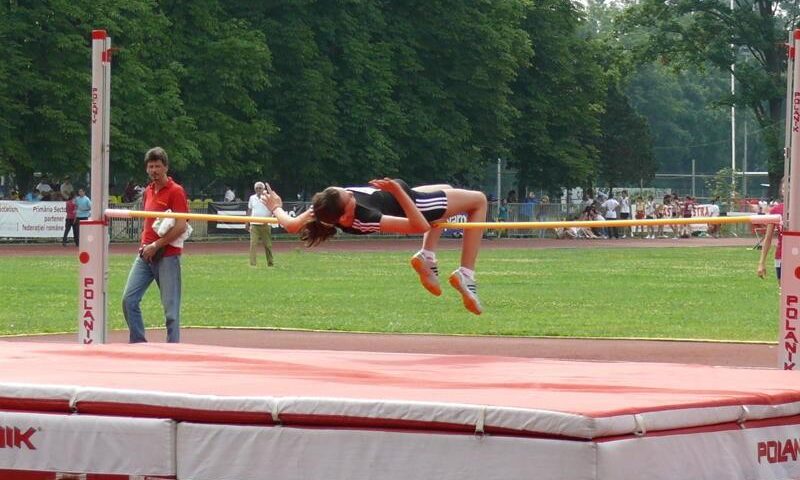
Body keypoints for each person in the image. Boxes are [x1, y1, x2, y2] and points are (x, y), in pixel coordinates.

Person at [263, 178, 488, 315]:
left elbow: (292, 225)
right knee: (478, 201)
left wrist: (275, 207)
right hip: (410, 203)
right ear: (344, 216)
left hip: (400, 194)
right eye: (348, 198)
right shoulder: (367, 218)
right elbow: (420, 224)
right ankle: (466, 273)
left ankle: (427, 256)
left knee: (446, 188)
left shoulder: (324, 207)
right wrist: (396, 190)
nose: (350, 193)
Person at [122, 147, 189, 343]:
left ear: (166, 167)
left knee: (171, 310)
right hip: (145, 255)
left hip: (167, 255)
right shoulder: (148, 191)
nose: (154, 170)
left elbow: (181, 225)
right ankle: (138, 343)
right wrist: (145, 245)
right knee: (129, 300)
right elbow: (148, 222)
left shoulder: (176, 191)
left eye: (158, 166)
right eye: (150, 166)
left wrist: (157, 245)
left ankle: (173, 349)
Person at [757, 180, 784, 283]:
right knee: (784, 293)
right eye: (784, 188)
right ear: (781, 191)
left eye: (792, 187)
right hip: (781, 256)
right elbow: (768, 238)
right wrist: (761, 262)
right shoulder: (775, 211)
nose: (788, 190)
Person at [246, 181, 274, 267]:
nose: (258, 190)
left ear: (263, 189)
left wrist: (268, 219)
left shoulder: (268, 197)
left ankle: (270, 263)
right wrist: (247, 222)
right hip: (254, 225)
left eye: (260, 188)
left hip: (265, 225)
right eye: (257, 188)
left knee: (268, 245)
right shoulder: (252, 198)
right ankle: (253, 264)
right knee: (253, 244)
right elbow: (249, 210)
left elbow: (272, 209)